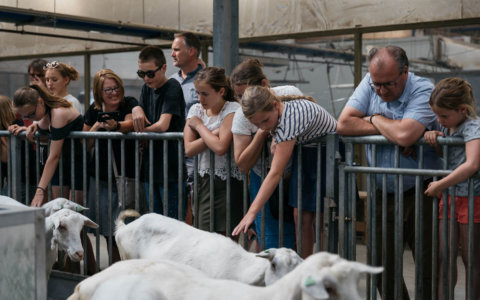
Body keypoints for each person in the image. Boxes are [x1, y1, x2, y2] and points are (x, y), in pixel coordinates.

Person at [336, 45, 441, 299]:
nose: (381, 91)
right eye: (377, 85)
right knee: (380, 264)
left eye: (388, 85)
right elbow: (344, 124)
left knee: (427, 264)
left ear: (405, 72)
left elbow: (406, 134)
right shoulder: (369, 82)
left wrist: (373, 118)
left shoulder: (424, 89)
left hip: (423, 188)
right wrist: (387, 128)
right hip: (382, 188)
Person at [232, 86, 337, 258]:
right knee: (301, 215)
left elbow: (275, 173)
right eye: (257, 124)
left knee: (323, 217)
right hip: (309, 152)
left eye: (265, 121)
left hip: (328, 152)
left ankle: (323, 266)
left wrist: (251, 213)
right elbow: (277, 128)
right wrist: (273, 135)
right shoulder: (280, 112)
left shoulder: (289, 120)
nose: (262, 127)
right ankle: (305, 266)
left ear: (274, 105)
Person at [230, 58, 301, 249]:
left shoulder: (290, 94)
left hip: (295, 175)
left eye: (245, 93)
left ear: (263, 85)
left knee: (300, 238)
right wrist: (262, 132)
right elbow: (243, 164)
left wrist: (279, 132)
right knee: (273, 243)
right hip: (264, 178)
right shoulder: (242, 116)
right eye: (238, 97)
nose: (243, 102)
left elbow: (304, 122)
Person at [423, 77, 480, 300]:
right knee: (444, 257)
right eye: (437, 115)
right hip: (451, 196)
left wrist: (440, 185)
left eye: (444, 116)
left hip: (472, 197)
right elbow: (453, 158)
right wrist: (437, 141)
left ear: (462, 109)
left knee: (471, 259)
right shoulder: (449, 127)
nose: (439, 120)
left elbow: (472, 164)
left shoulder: (474, 126)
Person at [83, 69, 139, 263]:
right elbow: (85, 142)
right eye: (108, 90)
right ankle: (115, 268)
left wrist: (115, 126)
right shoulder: (93, 110)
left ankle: (128, 269)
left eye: (116, 88)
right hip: (100, 178)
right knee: (107, 231)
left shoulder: (130, 103)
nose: (114, 93)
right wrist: (97, 127)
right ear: (99, 92)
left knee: (124, 230)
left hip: (125, 176)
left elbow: (131, 124)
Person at [184, 66, 244, 234]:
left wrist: (200, 126)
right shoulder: (195, 109)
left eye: (205, 93)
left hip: (228, 182)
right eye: (197, 93)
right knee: (204, 233)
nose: (200, 98)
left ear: (221, 91)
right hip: (203, 179)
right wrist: (214, 134)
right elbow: (188, 148)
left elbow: (220, 147)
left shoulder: (232, 108)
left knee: (227, 234)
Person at [132, 45, 186, 218]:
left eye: (150, 73)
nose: (146, 78)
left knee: (172, 223)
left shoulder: (172, 86)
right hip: (151, 168)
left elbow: (163, 125)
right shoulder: (146, 89)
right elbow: (140, 109)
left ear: (163, 68)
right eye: (141, 74)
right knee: (155, 221)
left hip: (170, 170)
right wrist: (136, 109)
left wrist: (142, 132)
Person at [12, 84, 84, 206]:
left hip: (77, 163)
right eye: (24, 116)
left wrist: (40, 191)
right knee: (58, 211)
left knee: (73, 213)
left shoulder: (58, 112)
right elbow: (45, 133)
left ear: (40, 102)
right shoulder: (44, 112)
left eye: (31, 114)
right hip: (61, 165)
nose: (29, 118)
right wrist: (30, 127)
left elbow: (54, 155)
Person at [170, 32, 204, 219]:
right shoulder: (171, 81)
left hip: (199, 157)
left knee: (198, 208)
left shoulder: (207, 78)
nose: (172, 54)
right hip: (175, 157)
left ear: (191, 51)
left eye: (176, 49)